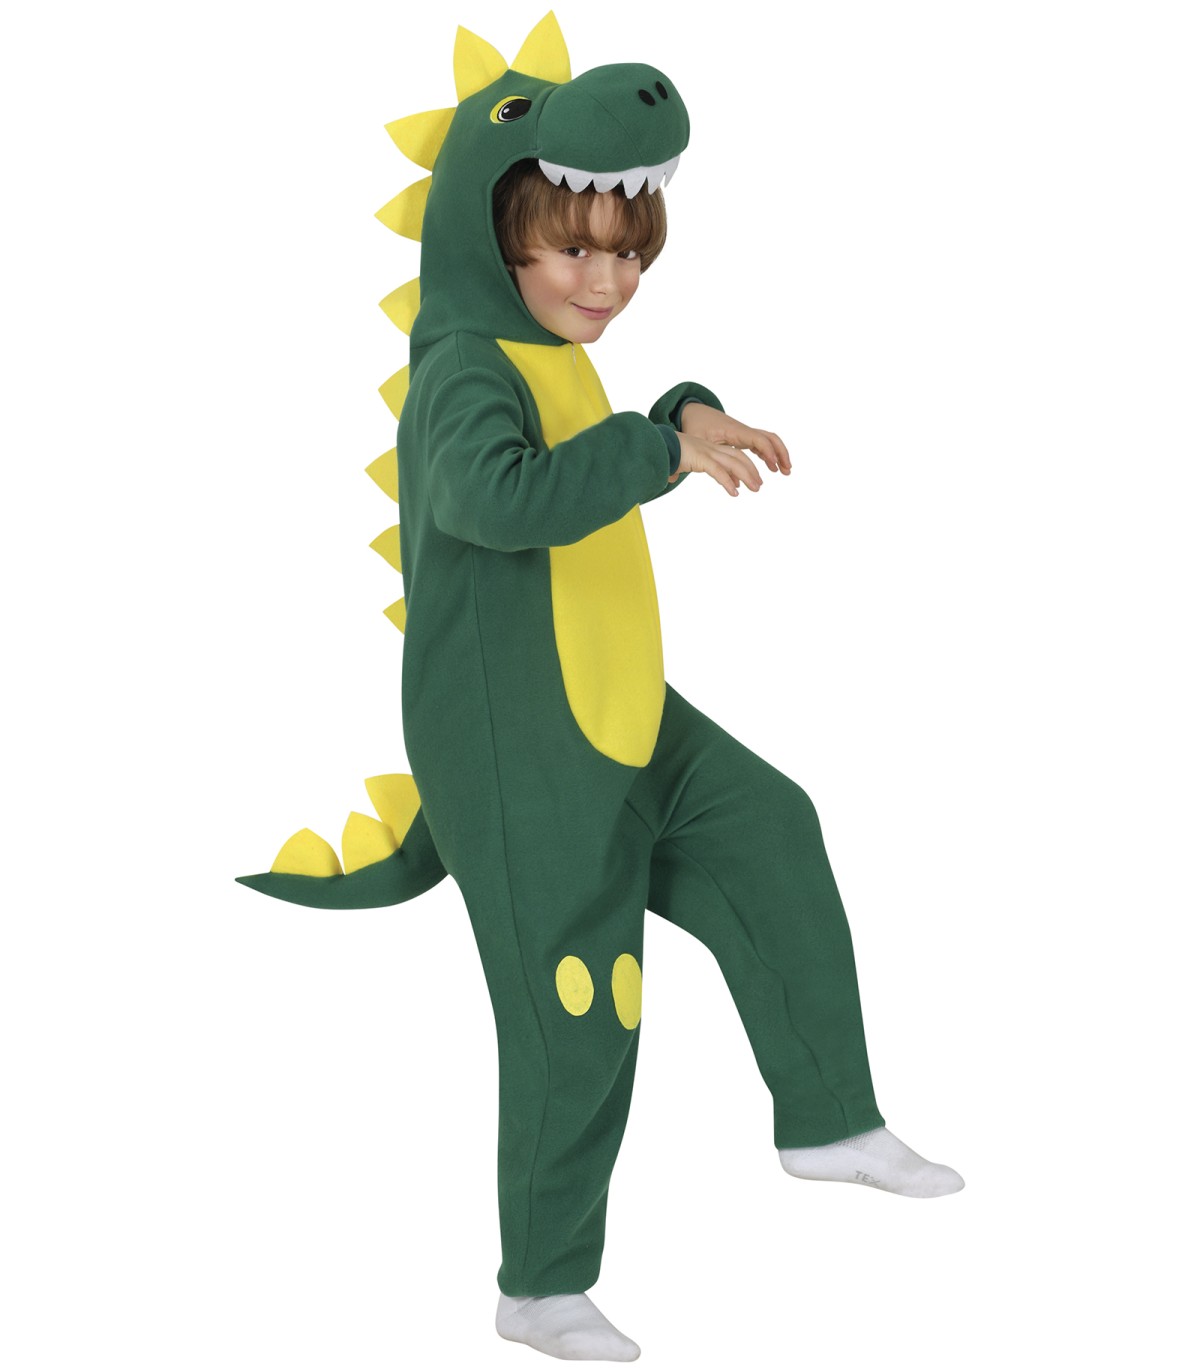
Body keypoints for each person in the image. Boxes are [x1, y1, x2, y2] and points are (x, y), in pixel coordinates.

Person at [238, 16, 963, 1362]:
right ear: (494, 237)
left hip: (618, 706)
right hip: (520, 745)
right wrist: (653, 450)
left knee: (770, 831)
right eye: (576, 251)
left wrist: (676, 414)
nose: (609, 280)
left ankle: (829, 1123)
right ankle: (541, 1287)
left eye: (627, 252)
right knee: (582, 1002)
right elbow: (495, 498)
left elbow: (588, 446)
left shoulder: (545, 348)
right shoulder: (463, 367)